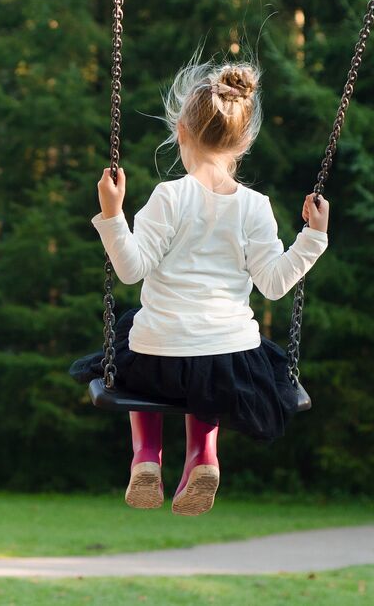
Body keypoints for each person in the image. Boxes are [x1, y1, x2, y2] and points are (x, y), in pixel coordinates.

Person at [68, 57, 331, 516]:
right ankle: (204, 457)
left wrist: (112, 215)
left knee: (136, 338)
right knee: (209, 370)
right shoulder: (255, 206)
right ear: (244, 142)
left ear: (181, 133)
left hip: (158, 357)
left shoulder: (168, 196)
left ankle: (146, 457)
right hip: (229, 361)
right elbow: (273, 284)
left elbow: (130, 269)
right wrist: (313, 238)